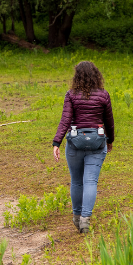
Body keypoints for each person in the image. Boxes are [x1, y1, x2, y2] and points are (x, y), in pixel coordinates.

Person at [51, 61, 115, 234]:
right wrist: (110, 140)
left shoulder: (71, 95)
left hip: (75, 143)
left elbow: (65, 119)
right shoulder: (103, 95)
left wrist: (57, 142)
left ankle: (76, 216)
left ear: (77, 76)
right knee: (90, 181)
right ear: (96, 75)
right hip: (97, 142)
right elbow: (109, 121)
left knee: (76, 181)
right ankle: (85, 220)